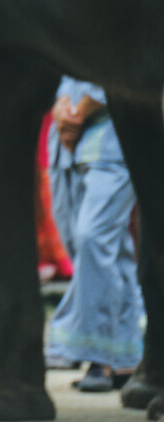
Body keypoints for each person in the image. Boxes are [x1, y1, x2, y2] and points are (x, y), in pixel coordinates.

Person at [44, 77, 144, 392]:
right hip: (63, 138)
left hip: (111, 135)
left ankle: (95, 354)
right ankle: (126, 355)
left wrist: (81, 109)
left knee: (93, 239)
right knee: (100, 249)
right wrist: (62, 107)